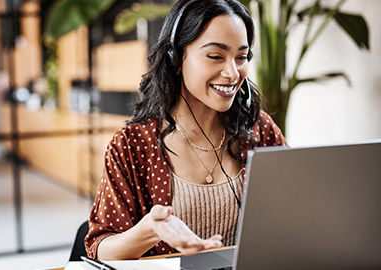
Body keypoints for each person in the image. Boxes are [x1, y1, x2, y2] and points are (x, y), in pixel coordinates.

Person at [85, 0, 287, 260]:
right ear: (177, 58)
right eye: (215, 56)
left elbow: (294, 214)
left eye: (241, 57)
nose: (232, 72)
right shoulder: (131, 145)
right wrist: (150, 229)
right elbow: (100, 249)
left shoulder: (260, 130)